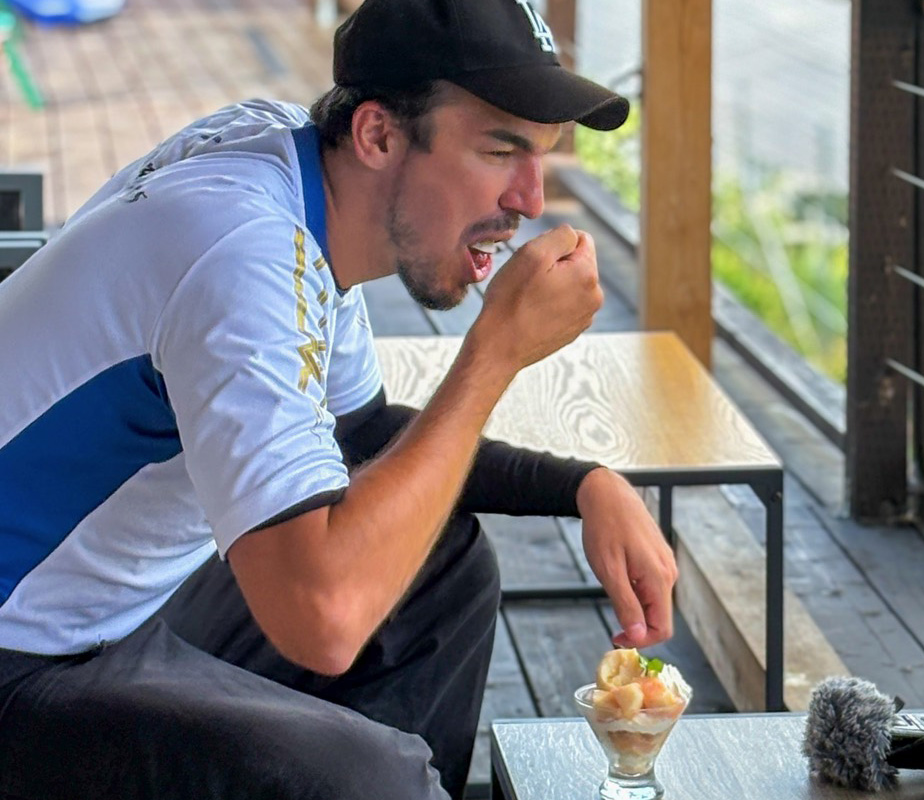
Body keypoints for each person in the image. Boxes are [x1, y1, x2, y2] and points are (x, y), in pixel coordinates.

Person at [0, 1, 678, 797]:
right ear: (378, 135)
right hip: (26, 651)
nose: (531, 199)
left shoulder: (289, 169)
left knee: (442, 569)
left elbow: (364, 435)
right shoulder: (246, 257)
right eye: (500, 150)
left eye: (542, 155)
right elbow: (321, 620)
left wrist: (582, 485)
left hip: (109, 599)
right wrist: (493, 355)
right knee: (370, 780)